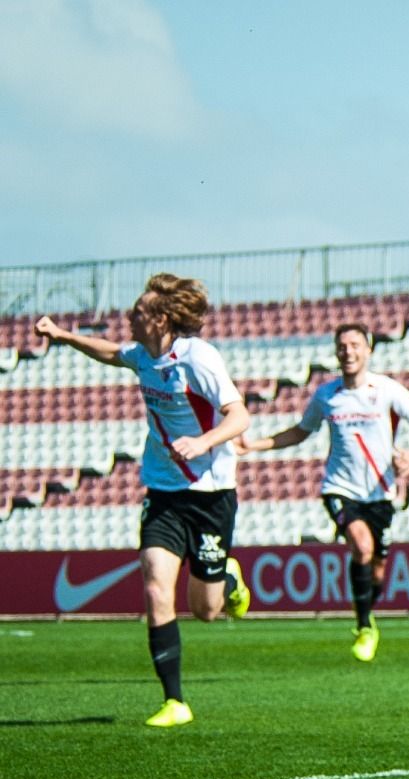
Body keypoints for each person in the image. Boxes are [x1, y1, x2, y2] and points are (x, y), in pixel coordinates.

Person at [33, 274, 252, 727]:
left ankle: (229, 579)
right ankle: (175, 701)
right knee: (155, 586)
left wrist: (202, 441)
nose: (128, 317)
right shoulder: (143, 356)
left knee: (206, 610)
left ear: (162, 319)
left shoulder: (198, 358)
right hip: (163, 491)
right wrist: (63, 336)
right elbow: (111, 352)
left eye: (137, 311)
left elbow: (240, 415)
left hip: (210, 493)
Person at [235, 322, 409, 661]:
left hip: (380, 492)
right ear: (336, 352)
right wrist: (254, 445)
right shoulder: (327, 395)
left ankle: (366, 614)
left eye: (355, 345)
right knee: (361, 546)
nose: (348, 351)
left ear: (368, 350)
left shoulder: (386, 390)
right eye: (342, 346)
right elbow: (300, 432)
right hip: (339, 489)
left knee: (377, 569)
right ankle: (364, 626)